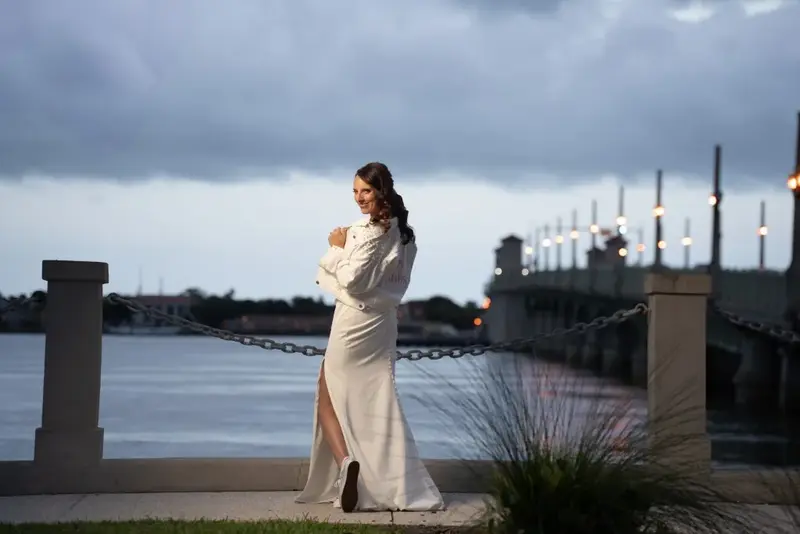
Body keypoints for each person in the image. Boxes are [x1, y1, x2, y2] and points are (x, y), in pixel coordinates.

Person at [295, 162, 445, 513]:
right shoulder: (404, 234)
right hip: (382, 325)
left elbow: (354, 281)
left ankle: (346, 462)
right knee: (376, 401)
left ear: (382, 191)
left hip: (353, 323)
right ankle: (384, 481)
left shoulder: (369, 233)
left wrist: (336, 248)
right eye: (355, 191)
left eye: (366, 190)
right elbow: (395, 283)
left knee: (328, 397)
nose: (359, 198)